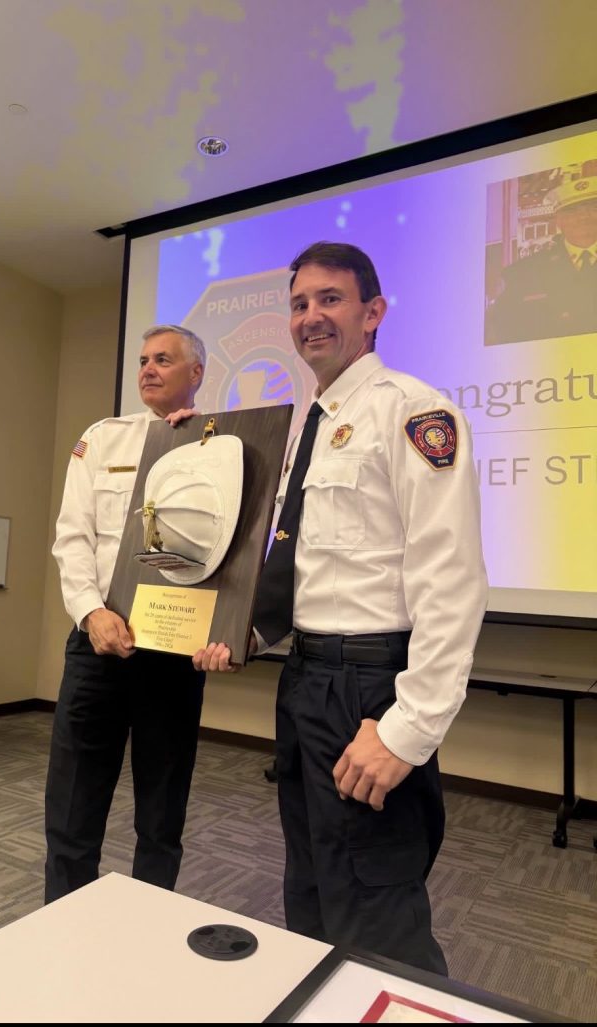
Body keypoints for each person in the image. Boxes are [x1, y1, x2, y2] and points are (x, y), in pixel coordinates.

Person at [195, 242, 488, 975]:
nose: (311, 317)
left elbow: (452, 580)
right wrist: (245, 631)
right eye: (299, 304)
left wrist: (408, 728)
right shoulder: (308, 430)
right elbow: (300, 564)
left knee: (378, 912)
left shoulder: (416, 412)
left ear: (373, 313)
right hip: (305, 681)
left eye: (330, 299)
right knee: (312, 891)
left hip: (369, 690)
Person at [45, 324, 207, 903]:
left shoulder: (223, 447)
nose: (147, 369)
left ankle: (149, 925)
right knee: (72, 807)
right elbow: (72, 539)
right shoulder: (103, 439)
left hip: (171, 653)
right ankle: (61, 925)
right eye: (142, 360)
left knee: (162, 816)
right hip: (98, 643)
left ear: (197, 374)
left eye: (164, 359)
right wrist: (91, 613)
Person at [487, 175, 597, 345]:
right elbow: (504, 328)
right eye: (572, 211)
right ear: (559, 220)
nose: (583, 217)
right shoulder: (523, 272)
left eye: (592, 208)